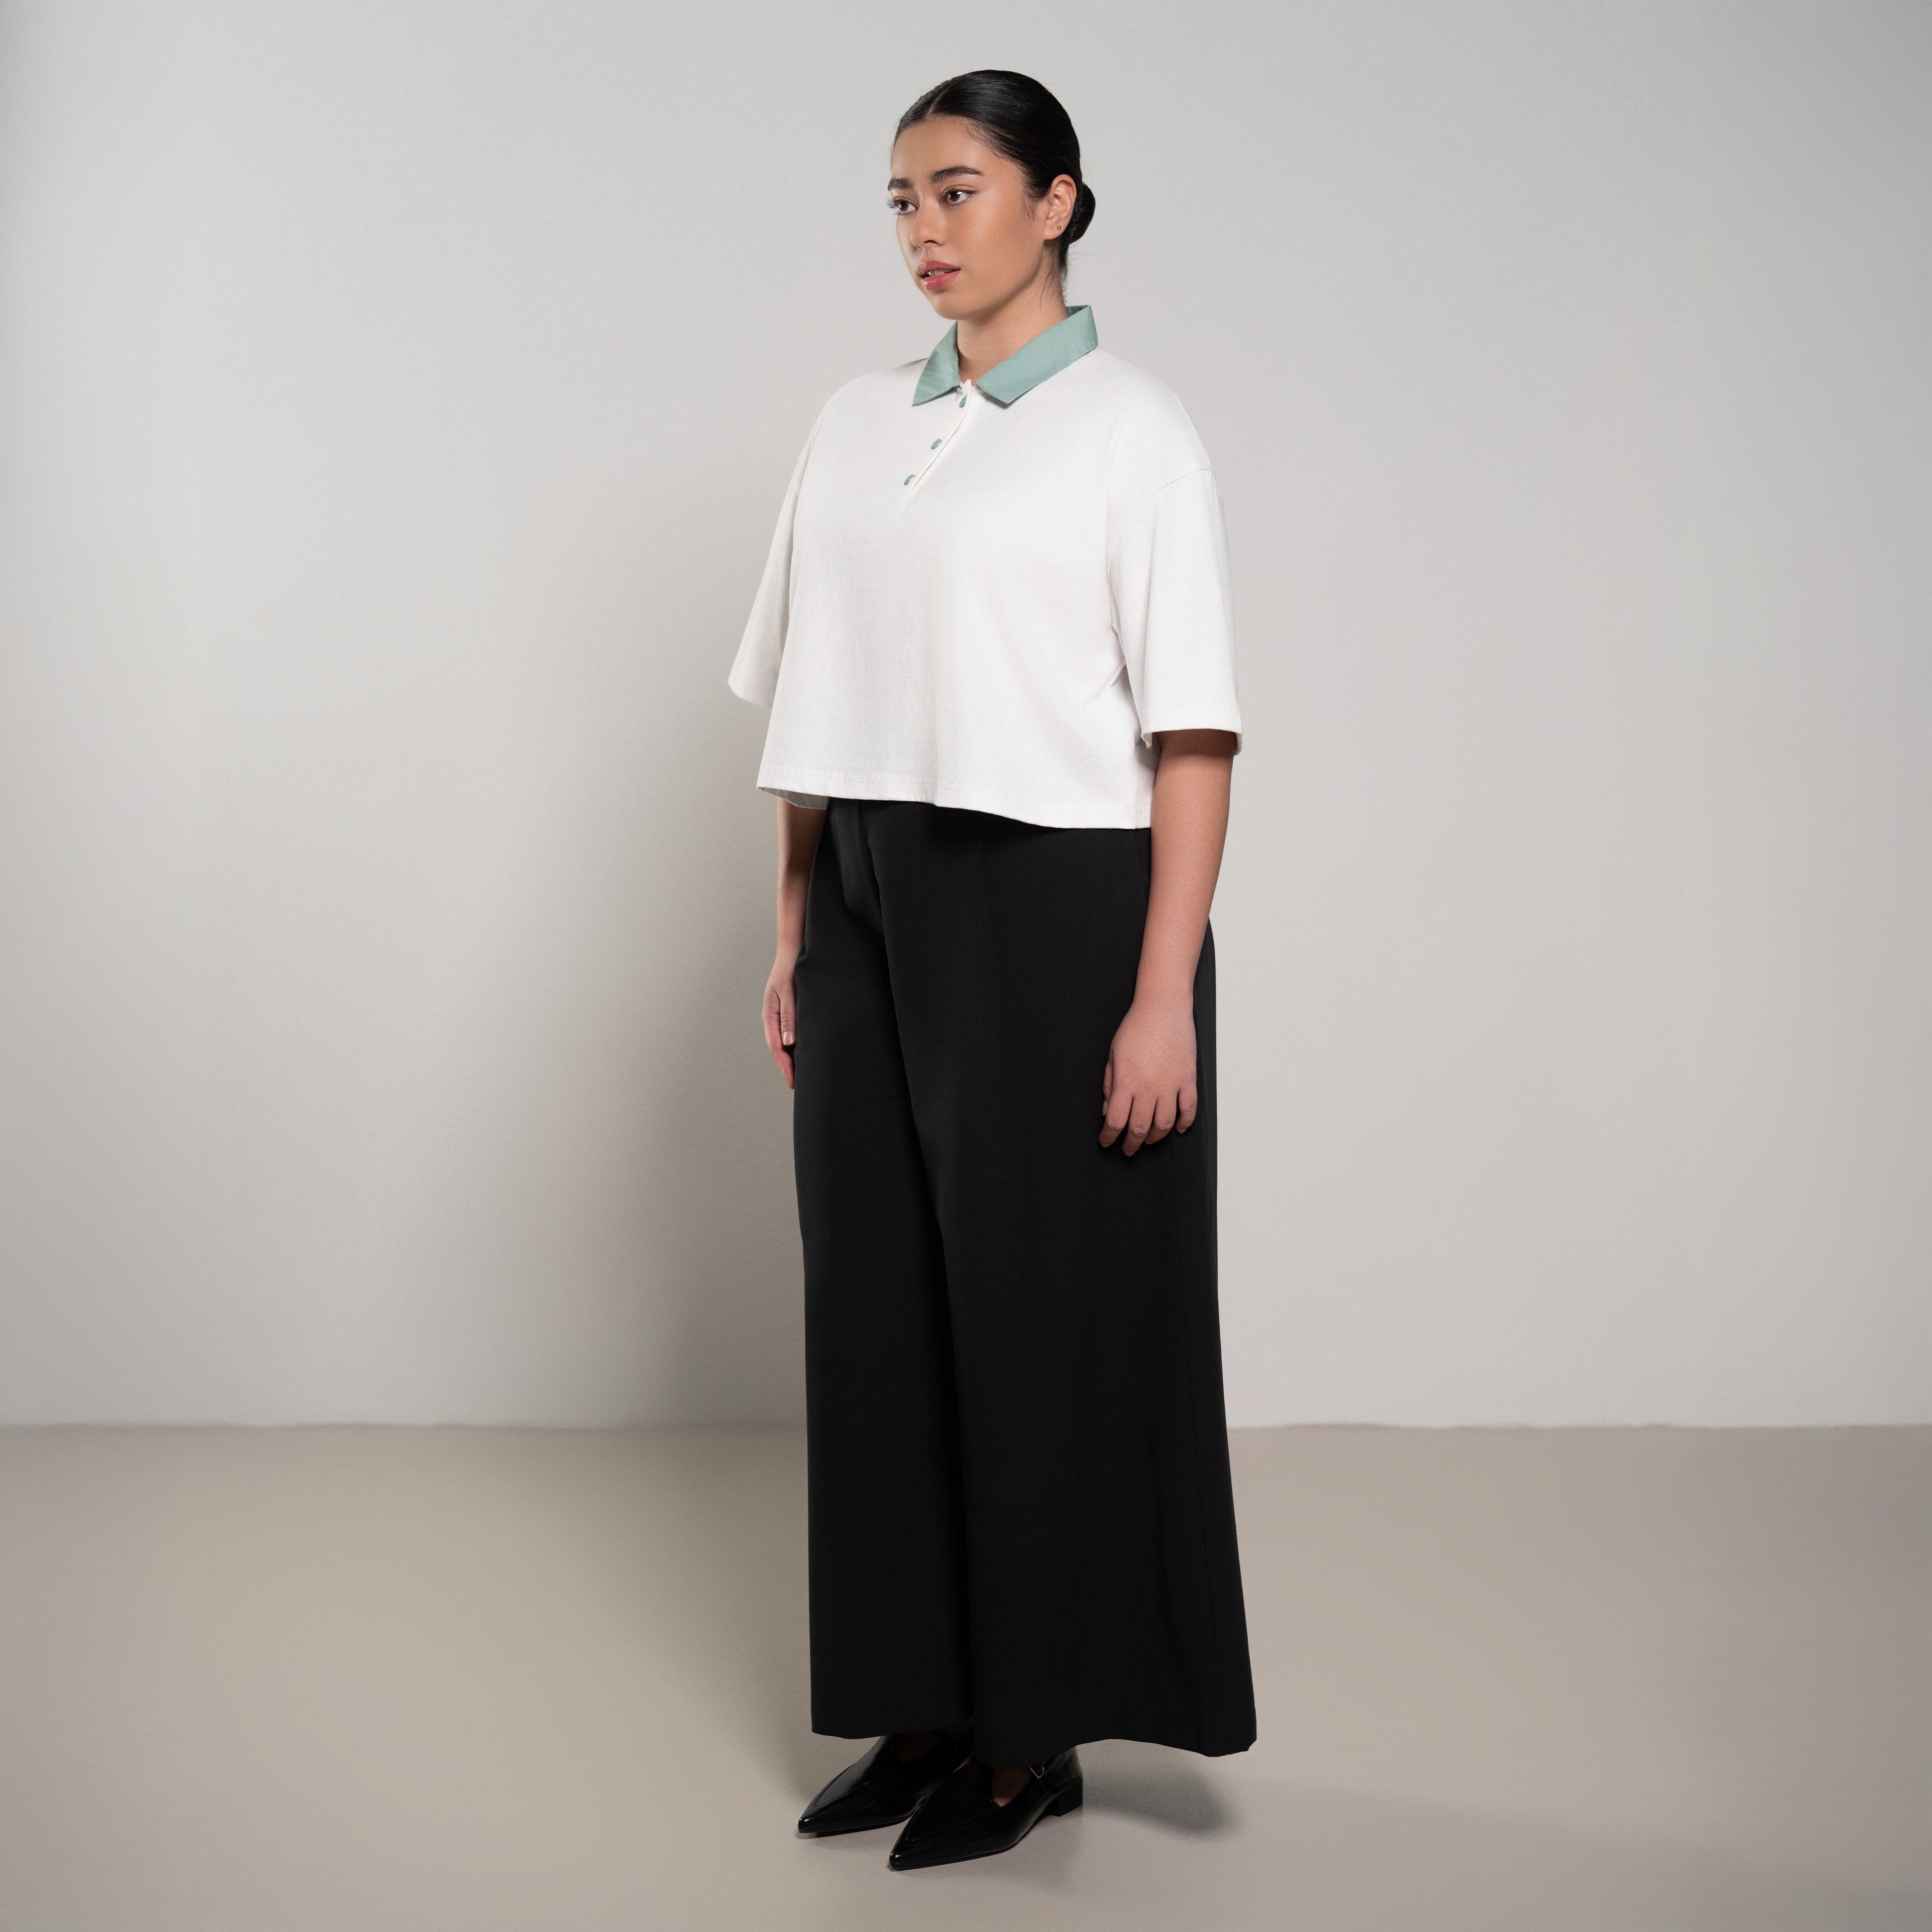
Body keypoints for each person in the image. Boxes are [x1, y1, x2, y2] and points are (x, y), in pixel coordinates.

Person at [728, 69, 1256, 1872]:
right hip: (870, 896)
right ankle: (924, 1704)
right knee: (875, 1310)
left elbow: (1194, 735)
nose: (924, 229)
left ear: (1057, 203)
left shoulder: (1132, 431)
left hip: (1055, 902)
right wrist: (795, 928)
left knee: (1042, 1323)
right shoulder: (851, 422)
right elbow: (807, 700)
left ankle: (1032, 1737)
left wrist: (1160, 993)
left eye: (958, 189)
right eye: (900, 199)